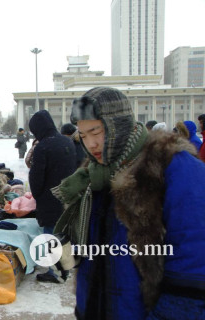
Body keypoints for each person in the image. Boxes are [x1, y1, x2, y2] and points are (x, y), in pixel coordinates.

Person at [52, 87, 205, 319]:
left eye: (96, 131)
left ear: (118, 125)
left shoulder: (171, 167)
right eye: (83, 136)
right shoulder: (91, 174)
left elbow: (194, 261)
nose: (91, 144)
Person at [29, 110, 76, 283]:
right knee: (63, 232)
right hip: (67, 195)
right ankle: (66, 265)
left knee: (51, 233)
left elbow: (36, 177)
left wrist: (36, 194)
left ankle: (55, 272)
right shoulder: (67, 141)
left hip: (49, 197)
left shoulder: (43, 146)